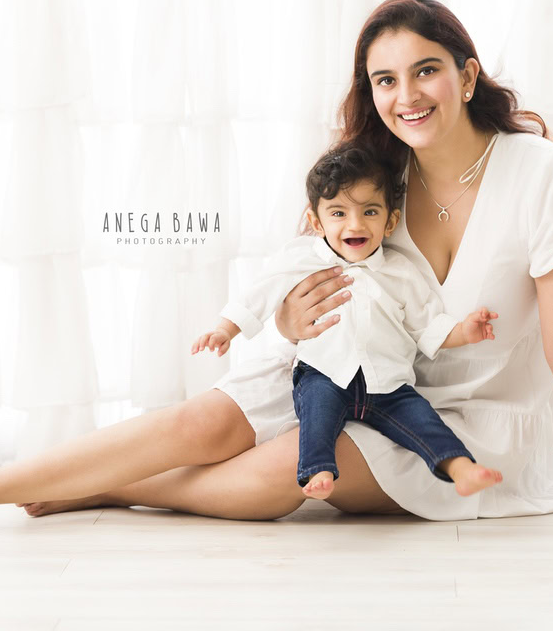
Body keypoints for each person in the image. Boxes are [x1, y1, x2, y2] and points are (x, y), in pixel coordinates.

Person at [0, 0, 553, 546]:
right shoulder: (372, 175)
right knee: (203, 422)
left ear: (466, 76)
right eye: (385, 79)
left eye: (426, 70)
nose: (406, 95)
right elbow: (302, 281)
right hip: (347, 366)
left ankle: (112, 489)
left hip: (470, 418)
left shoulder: (547, 174)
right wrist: (283, 322)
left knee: (291, 472)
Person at [191, 142, 504, 500]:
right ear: (316, 222)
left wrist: (464, 331)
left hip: (388, 383)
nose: (355, 224)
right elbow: (260, 293)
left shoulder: (401, 272)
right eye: (338, 213)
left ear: (390, 221)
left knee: (423, 420)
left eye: (370, 211)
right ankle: (318, 471)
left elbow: (428, 324)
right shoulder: (301, 259)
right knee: (316, 417)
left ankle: (461, 468)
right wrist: (225, 329)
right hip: (324, 373)